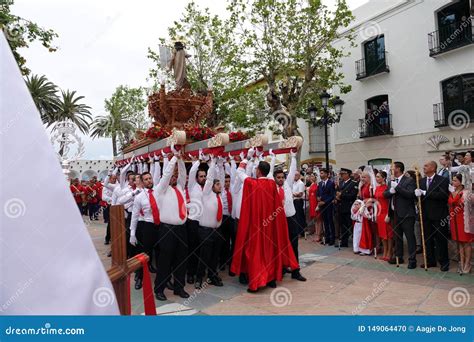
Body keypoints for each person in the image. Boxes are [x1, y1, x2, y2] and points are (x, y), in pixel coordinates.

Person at [231, 158, 299, 293]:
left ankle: (256, 281)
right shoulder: (271, 184)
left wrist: (246, 158)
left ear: (258, 171)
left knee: (255, 252)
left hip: (256, 227)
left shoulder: (252, 183)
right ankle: (271, 279)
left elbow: (239, 171)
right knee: (270, 251)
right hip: (269, 226)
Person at [154, 147, 189, 301]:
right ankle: (159, 289)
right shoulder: (160, 189)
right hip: (167, 230)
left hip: (182, 229)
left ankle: (179, 288)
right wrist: (173, 158)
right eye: (171, 176)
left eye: (175, 176)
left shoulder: (180, 187)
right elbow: (167, 174)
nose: (174, 177)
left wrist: (180, 159)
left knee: (181, 259)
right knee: (165, 261)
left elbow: (184, 174)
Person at [269, 149, 306, 282]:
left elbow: (292, 170)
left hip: (291, 219)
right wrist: (273, 158)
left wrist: (293, 156)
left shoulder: (288, 184)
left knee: (293, 244)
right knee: (279, 246)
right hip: (278, 221)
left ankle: (296, 271)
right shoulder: (272, 186)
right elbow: (267, 174)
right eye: (278, 178)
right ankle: (282, 268)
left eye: (282, 177)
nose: (280, 179)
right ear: (274, 179)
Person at [415, 161, 450, 271]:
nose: (424, 167)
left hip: (439, 215)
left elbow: (443, 195)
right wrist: (416, 194)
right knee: (427, 239)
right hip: (426, 215)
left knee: (441, 240)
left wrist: (425, 193)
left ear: (433, 168)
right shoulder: (421, 181)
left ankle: (444, 262)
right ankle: (430, 261)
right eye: (424, 165)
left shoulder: (442, 180)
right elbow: (419, 198)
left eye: (426, 165)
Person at [196, 157, 224, 289]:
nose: (221, 186)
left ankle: (212, 277)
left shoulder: (219, 196)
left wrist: (219, 164)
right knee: (204, 256)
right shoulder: (206, 194)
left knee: (215, 256)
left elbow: (221, 176)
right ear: (211, 186)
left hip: (217, 231)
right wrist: (212, 163)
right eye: (218, 185)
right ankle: (198, 278)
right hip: (205, 231)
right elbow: (209, 179)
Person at [384, 162, 417, 269]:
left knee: (410, 237)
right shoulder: (391, 181)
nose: (391, 170)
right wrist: (391, 191)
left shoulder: (409, 180)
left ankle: (412, 259)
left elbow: (410, 194)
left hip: (407, 214)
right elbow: (385, 194)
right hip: (395, 214)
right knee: (397, 237)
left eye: (393, 168)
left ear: (398, 169)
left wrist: (397, 188)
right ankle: (399, 256)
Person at [186, 152, 207, 285]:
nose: (203, 178)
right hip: (193, 222)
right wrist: (197, 161)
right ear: (196, 177)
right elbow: (194, 170)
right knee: (192, 250)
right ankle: (191, 274)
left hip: (204, 223)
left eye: (205, 176)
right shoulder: (192, 186)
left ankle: (201, 273)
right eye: (201, 176)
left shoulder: (208, 187)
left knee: (202, 250)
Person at [449, 174, 473, 274]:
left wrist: (455, 196)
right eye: (453, 180)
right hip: (454, 219)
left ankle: (468, 263)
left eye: (455, 181)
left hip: (464, 220)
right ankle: (461, 262)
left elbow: (459, 202)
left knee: (466, 242)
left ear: (461, 182)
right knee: (459, 242)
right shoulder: (453, 192)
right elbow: (450, 202)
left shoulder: (467, 193)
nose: (453, 183)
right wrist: (454, 195)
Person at [336, 168, 358, 248]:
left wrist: (341, 196)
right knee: (342, 225)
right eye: (341, 174)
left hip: (348, 207)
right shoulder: (341, 183)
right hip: (341, 206)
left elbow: (352, 196)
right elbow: (338, 192)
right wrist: (337, 197)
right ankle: (344, 242)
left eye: (344, 174)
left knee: (350, 225)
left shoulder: (353, 183)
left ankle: (354, 242)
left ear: (348, 174)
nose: (342, 175)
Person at [373, 171, 393, 261]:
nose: (376, 178)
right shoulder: (377, 188)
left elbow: (390, 202)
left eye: (378, 177)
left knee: (389, 234)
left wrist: (389, 214)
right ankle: (385, 251)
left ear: (384, 178)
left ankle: (389, 251)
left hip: (386, 212)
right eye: (376, 177)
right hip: (379, 213)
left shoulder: (387, 188)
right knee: (382, 234)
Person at [317, 169, 336, 245]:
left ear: (326, 174)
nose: (320, 175)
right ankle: (327, 238)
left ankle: (332, 238)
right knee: (325, 222)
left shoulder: (331, 183)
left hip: (329, 205)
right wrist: (318, 197)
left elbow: (332, 195)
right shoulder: (320, 183)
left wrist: (324, 202)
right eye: (320, 173)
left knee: (330, 221)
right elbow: (318, 192)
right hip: (322, 206)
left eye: (322, 173)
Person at [358, 171, 374, 255]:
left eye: (364, 177)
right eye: (362, 177)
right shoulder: (363, 186)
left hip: (370, 208)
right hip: (364, 208)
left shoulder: (371, 186)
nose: (362, 179)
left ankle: (370, 247)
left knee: (369, 228)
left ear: (369, 177)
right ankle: (365, 247)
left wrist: (365, 203)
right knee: (365, 228)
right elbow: (361, 197)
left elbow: (373, 198)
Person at [307, 173, 322, 242]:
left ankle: (319, 234)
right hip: (311, 203)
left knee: (318, 219)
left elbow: (318, 195)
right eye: (311, 176)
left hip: (316, 203)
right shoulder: (311, 185)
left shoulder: (317, 185)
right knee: (315, 220)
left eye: (312, 176)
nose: (311, 177)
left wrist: (318, 205)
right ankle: (316, 233)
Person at [292, 170, 306, 236]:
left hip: (298, 201)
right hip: (294, 201)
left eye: (296, 175)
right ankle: (297, 231)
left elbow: (300, 194)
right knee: (296, 217)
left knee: (299, 216)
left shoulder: (300, 183)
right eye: (294, 175)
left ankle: (301, 232)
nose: (295, 176)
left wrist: (292, 194)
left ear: (299, 175)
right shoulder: (294, 183)